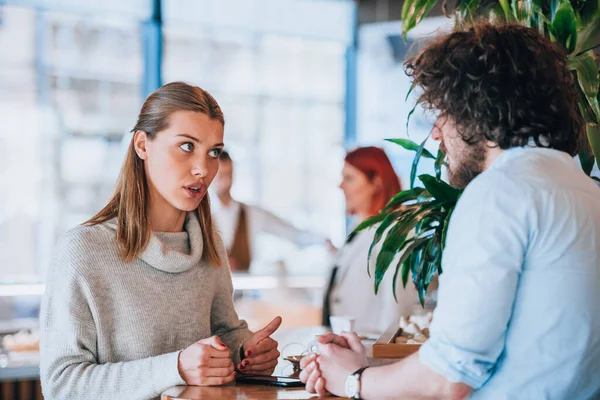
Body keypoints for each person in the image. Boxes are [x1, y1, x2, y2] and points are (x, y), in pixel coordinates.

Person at [300, 23, 600, 399]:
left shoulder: (499, 192)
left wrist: (353, 382)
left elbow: (448, 381)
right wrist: (369, 368)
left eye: (442, 112)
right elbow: (520, 354)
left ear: (477, 108)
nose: (438, 133)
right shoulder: (587, 191)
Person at [40, 82, 282, 400]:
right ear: (143, 144)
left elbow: (224, 337)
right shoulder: (83, 251)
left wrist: (247, 353)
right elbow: (62, 385)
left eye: (214, 152)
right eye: (186, 146)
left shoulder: (210, 248)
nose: (203, 169)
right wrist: (175, 368)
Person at [322, 146, 417, 335]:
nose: (341, 186)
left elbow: (397, 303)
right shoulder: (358, 227)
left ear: (376, 183)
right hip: (349, 342)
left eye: (349, 178)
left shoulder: (396, 231)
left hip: (372, 348)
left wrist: (384, 355)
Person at [211, 150, 327, 271]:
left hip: (243, 288)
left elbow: (291, 233)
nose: (226, 182)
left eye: (229, 175)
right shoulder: (199, 216)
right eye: (221, 176)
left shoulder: (252, 213)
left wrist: (323, 241)